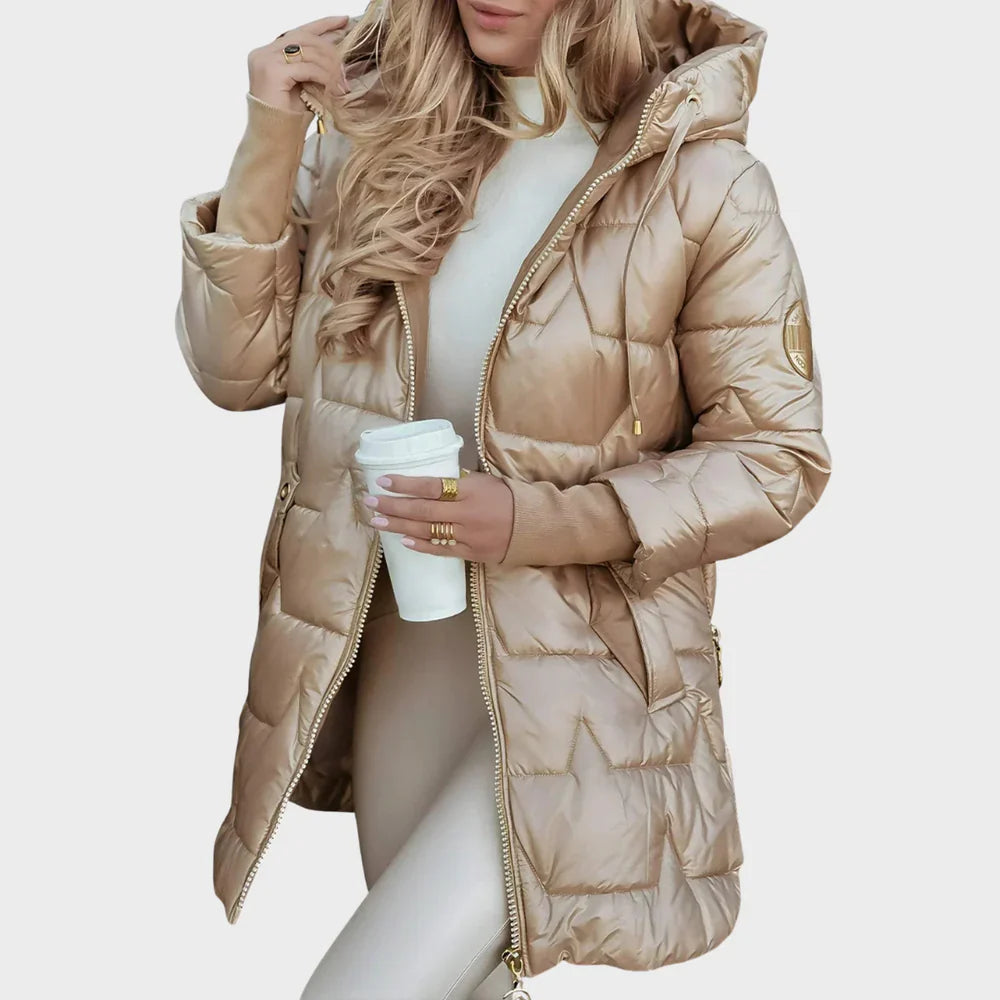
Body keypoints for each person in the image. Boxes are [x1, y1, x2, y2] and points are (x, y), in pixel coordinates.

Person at [173, 1, 832, 997]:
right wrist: (272, 132)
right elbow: (238, 368)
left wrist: (535, 520)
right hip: (404, 656)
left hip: (587, 684)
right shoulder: (380, 152)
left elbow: (775, 459)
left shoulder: (701, 184)